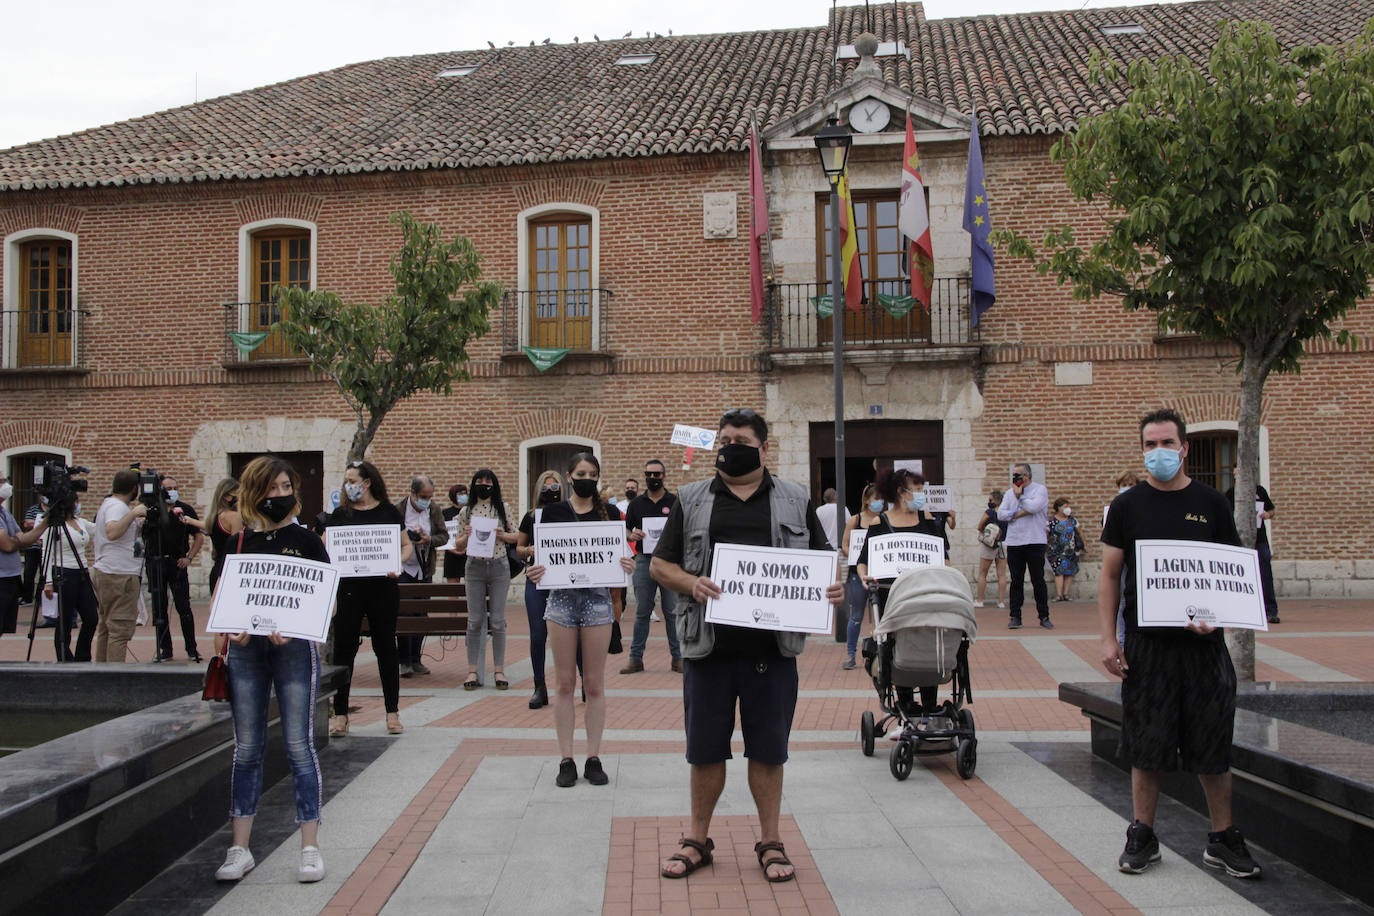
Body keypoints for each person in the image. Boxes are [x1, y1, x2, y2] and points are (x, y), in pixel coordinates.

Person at [652, 409, 843, 883]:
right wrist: (691, 582)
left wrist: (830, 589)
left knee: (769, 751)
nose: (728, 445)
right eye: (723, 438)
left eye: (739, 438)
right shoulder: (693, 498)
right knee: (704, 751)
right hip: (707, 649)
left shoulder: (795, 499)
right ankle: (697, 839)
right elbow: (660, 565)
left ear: (763, 447)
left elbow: (820, 564)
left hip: (771, 652)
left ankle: (771, 841)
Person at [1100, 408, 1260, 879]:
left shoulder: (1212, 503)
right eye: (1150, 445)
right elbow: (1110, 575)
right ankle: (1142, 835)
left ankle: (1223, 838)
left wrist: (1221, 620)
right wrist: (1109, 638)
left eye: (1167, 444)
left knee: (1213, 745)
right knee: (1147, 745)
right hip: (1148, 649)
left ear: (1184, 448)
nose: (1158, 453)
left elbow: (1232, 571)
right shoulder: (1128, 506)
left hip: (1204, 649)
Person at [212, 456, 330, 884]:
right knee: (247, 749)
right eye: (272, 489)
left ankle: (310, 848)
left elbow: (323, 602)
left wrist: (297, 629)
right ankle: (239, 848)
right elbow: (224, 599)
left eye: (286, 487)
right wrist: (232, 630)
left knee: (300, 747)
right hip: (247, 654)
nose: (281, 495)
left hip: (293, 652)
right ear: (254, 494)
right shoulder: (239, 543)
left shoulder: (308, 541)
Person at [527, 453, 635, 788]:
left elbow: (621, 553)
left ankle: (593, 756)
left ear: (598, 477)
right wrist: (536, 571)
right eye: (581, 472)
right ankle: (565, 759)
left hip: (598, 602)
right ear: (569, 476)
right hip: (561, 601)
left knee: (594, 684)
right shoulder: (553, 513)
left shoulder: (610, 513)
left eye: (592, 473)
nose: (586, 477)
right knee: (562, 684)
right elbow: (543, 556)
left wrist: (626, 563)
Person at [323, 460, 412, 737]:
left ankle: (392, 712)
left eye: (353, 480)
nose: (349, 485)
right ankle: (340, 715)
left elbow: (406, 545)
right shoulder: (340, 514)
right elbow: (325, 545)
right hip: (348, 589)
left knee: (386, 648)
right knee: (344, 650)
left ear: (367, 482)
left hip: (382, 588)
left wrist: (397, 564)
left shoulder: (388, 512)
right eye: (347, 480)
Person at [855, 468, 950, 719]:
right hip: (892, 599)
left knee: (927, 646)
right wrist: (865, 576)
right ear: (901, 492)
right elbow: (863, 560)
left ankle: (930, 706)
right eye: (917, 490)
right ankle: (906, 706)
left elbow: (944, 558)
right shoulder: (879, 523)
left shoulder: (928, 521)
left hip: (925, 596)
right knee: (899, 650)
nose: (921, 495)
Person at [452, 468, 518, 690]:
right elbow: (457, 545)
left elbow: (517, 535)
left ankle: (499, 670)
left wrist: (502, 535)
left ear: (494, 484)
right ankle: (472, 670)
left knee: (498, 620)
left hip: (499, 564)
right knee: (474, 620)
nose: (484, 484)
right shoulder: (466, 511)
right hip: (474, 566)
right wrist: (466, 535)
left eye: (488, 480)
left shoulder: (503, 508)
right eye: (480, 480)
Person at [621, 458, 681, 674]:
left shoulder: (675, 501)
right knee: (642, 612)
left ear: (664, 476)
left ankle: (678, 658)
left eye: (657, 474)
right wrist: (632, 534)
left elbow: (682, 530)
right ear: (644, 476)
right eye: (649, 474)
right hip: (644, 561)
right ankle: (635, 659)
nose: (653, 478)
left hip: (669, 562)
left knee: (672, 612)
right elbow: (626, 530)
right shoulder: (636, 504)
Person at [517, 470, 564, 709]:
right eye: (546, 488)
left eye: (555, 488)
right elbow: (519, 547)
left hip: (564, 580)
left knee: (571, 633)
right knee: (537, 634)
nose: (550, 492)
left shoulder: (570, 513)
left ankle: (585, 683)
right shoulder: (531, 516)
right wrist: (528, 551)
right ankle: (539, 686)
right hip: (537, 577)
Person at [91, 470, 149, 662]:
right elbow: (113, 532)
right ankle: (115, 676)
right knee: (119, 629)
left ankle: (102, 671)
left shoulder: (109, 504)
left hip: (108, 570)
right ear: (134, 489)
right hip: (119, 574)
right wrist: (133, 514)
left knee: (107, 627)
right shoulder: (118, 507)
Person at [148, 474, 205, 662]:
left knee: (184, 607)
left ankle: (191, 648)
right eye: (167, 488)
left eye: (174, 487)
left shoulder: (185, 509)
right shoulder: (154, 509)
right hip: (156, 562)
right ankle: (165, 648)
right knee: (159, 607)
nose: (171, 491)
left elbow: (198, 536)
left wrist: (189, 557)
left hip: (177, 562)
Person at [396, 475, 448, 677]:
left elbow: (444, 536)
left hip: (424, 569)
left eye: (429, 496)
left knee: (421, 615)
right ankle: (404, 661)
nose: (426, 500)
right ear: (412, 493)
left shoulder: (433, 510)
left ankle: (416, 659)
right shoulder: (398, 510)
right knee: (404, 614)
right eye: (423, 496)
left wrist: (428, 539)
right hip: (404, 569)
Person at [997, 463, 1053, 629]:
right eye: (1013, 475)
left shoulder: (1039, 490)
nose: (1015, 478)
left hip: (1035, 540)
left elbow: (1034, 507)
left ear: (1027, 475)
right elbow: (1001, 514)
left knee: (1038, 580)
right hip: (1015, 541)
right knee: (1016, 581)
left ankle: (1044, 615)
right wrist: (1018, 513)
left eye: (1018, 475)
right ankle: (1015, 616)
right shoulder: (1009, 494)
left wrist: (1021, 497)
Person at [42, 500, 98, 661]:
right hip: (63, 572)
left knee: (91, 617)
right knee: (65, 619)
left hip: (82, 572)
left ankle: (82, 655)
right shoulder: (55, 525)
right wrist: (47, 582)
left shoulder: (80, 521)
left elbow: (98, 529)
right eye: (74, 501)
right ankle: (64, 655)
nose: (76, 504)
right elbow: (46, 551)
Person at [837, 482, 883, 669]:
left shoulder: (885, 519)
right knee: (856, 615)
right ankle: (850, 654)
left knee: (884, 615)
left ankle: (883, 652)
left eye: (882, 498)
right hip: (858, 574)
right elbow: (845, 544)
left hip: (881, 574)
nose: (879, 502)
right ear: (867, 500)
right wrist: (855, 555)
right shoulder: (855, 520)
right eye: (876, 498)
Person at [0, 471, 48, 638]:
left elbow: (22, 538)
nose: (6, 485)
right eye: (1, 481)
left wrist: (46, 523)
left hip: (10, 578)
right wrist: (15, 541)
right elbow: (6, 545)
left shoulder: (4, 512)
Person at [1225, 483, 1279, 625]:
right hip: (1240, 539)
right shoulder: (1231, 493)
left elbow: (1272, 510)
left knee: (1265, 573)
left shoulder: (1260, 491)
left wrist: (1267, 514)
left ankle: (1270, 611)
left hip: (1260, 539)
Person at [973, 489, 1008, 609]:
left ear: (996, 500)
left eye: (991, 500)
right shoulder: (1005, 513)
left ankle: (980, 600)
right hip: (1003, 543)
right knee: (1002, 574)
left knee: (983, 573)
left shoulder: (990, 512)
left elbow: (979, 525)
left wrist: (984, 532)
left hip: (989, 544)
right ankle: (1001, 601)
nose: (989, 502)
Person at [1047, 497, 1083, 601]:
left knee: (1069, 571)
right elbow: (1046, 534)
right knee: (1058, 571)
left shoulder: (1072, 520)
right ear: (1058, 508)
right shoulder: (1051, 521)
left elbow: (1080, 532)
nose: (1068, 508)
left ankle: (1066, 594)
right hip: (1055, 550)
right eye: (1065, 506)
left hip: (1071, 550)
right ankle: (1059, 594)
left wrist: (1084, 545)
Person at [441, 483, 468, 584]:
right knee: (452, 589)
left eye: (465, 493)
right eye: (460, 494)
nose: (463, 496)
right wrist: (451, 549)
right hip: (451, 555)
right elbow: (442, 534)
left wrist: (465, 548)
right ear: (453, 495)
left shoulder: (470, 511)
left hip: (468, 553)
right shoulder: (446, 513)